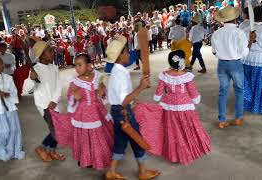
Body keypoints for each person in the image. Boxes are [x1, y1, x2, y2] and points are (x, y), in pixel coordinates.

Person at [105, 35, 160, 180]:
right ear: (120, 55)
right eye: (126, 52)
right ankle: (142, 172)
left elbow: (121, 97)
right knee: (137, 140)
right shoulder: (120, 75)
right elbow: (123, 101)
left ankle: (111, 171)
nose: (129, 54)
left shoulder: (117, 71)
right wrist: (140, 87)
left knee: (120, 142)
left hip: (117, 112)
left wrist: (134, 99)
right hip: (123, 112)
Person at [153, 50, 211, 165]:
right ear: (182, 61)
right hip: (185, 107)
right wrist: (196, 99)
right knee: (186, 129)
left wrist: (159, 96)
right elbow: (194, 94)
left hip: (169, 107)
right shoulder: (187, 77)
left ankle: (174, 153)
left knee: (172, 131)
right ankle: (188, 150)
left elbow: (157, 95)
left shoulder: (164, 75)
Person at [67, 53, 114, 170]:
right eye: (75, 65)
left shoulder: (97, 76)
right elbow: (70, 95)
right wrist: (74, 95)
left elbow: (101, 91)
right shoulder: (74, 82)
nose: (76, 68)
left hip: (97, 111)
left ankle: (98, 158)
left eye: (79, 65)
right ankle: (86, 158)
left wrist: (102, 91)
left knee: (98, 135)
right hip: (83, 114)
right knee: (85, 137)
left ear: (88, 66)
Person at [212, 6, 256, 128]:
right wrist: (251, 41)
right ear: (236, 19)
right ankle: (238, 118)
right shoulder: (239, 33)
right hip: (235, 64)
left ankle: (222, 120)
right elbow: (244, 53)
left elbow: (214, 52)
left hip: (221, 64)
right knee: (239, 91)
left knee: (223, 92)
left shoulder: (216, 33)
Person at [23, 41, 65, 162]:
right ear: (41, 55)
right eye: (49, 51)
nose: (53, 52)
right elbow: (26, 90)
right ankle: (41, 148)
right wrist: (32, 79)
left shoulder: (54, 67)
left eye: (52, 50)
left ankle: (52, 152)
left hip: (55, 104)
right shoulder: (35, 69)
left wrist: (54, 100)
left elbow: (58, 86)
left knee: (57, 129)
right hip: (44, 105)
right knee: (56, 130)